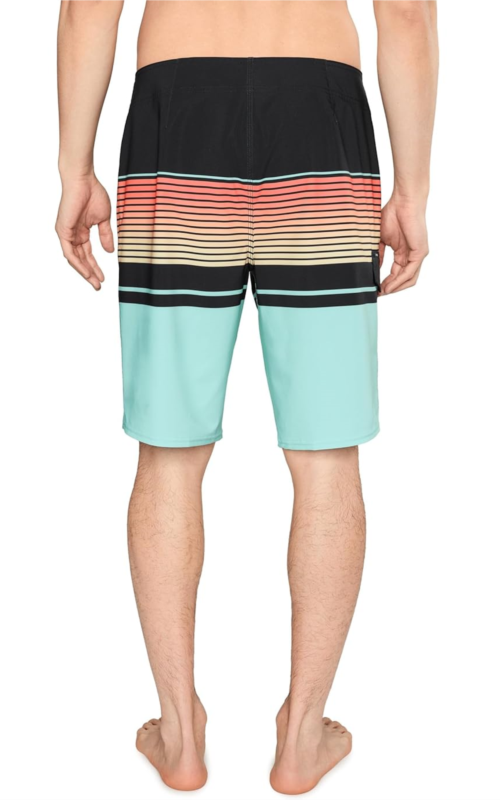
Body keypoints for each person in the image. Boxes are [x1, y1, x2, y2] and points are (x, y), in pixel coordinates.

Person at [55, 0, 438, 793]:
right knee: (327, 452)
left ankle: (179, 734)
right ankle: (302, 737)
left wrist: (74, 168)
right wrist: (413, 189)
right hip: (320, 118)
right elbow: (405, 12)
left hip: (177, 117)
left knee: (169, 450)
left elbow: (87, 7)